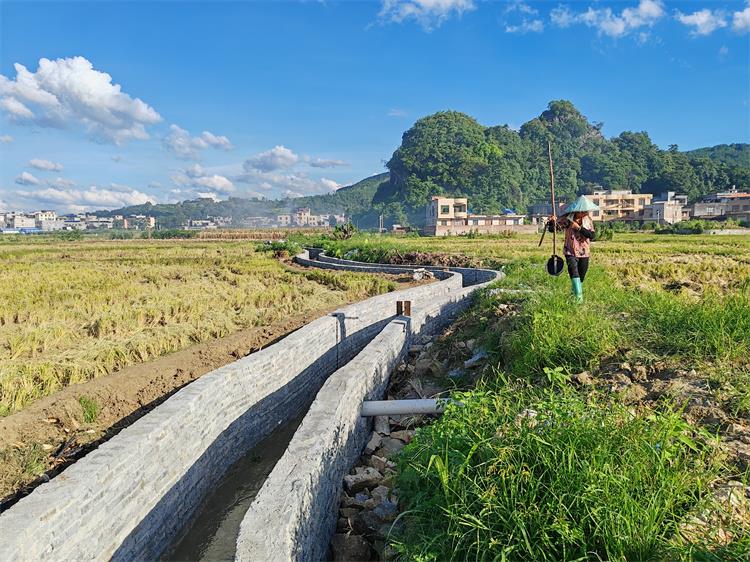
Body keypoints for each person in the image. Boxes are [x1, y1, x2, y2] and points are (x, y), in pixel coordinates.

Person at [547, 195, 599, 302]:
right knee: (573, 272)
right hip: (570, 250)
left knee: (581, 275)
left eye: (586, 211)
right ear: (577, 211)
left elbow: (592, 235)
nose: (585, 213)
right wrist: (552, 222)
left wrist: (579, 228)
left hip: (584, 252)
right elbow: (554, 229)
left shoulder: (588, 220)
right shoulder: (567, 219)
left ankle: (573, 294)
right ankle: (579, 299)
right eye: (583, 211)